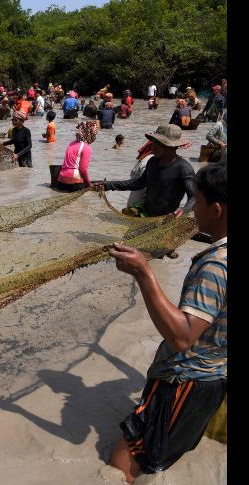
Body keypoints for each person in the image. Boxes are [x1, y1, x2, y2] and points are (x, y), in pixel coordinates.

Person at [107, 162, 226, 484]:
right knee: (162, 458)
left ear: (216, 209)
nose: (193, 209)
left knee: (121, 462)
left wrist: (143, 273)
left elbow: (183, 337)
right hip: (212, 381)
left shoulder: (216, 266)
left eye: (197, 201)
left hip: (185, 383)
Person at [95, 124, 195, 220]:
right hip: (145, 216)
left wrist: (184, 210)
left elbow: (194, 196)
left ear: (172, 147)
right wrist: (108, 185)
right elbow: (137, 183)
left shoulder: (183, 168)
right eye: (153, 142)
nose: (153, 147)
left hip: (167, 219)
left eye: (158, 144)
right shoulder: (152, 162)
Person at [53, 121, 99, 192]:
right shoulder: (86, 147)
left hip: (61, 180)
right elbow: (83, 170)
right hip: (73, 180)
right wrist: (89, 184)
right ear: (91, 134)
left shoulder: (72, 143)